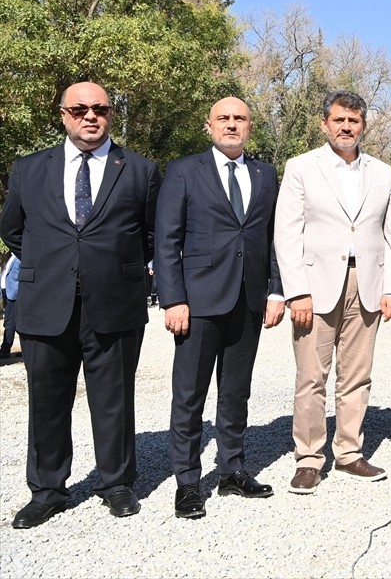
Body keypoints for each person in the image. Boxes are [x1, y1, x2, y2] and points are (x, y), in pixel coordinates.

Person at [0, 82, 160, 528]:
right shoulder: (29, 169)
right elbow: (14, 230)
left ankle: (117, 484)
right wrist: (55, 264)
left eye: (100, 108)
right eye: (80, 109)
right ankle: (48, 490)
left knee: (114, 399)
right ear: (64, 115)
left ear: (110, 114)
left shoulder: (141, 171)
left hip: (114, 303)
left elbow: (150, 235)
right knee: (47, 402)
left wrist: (107, 267)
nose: (91, 116)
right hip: (46, 302)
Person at [155, 97, 285, 519]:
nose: (232, 125)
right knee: (189, 395)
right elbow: (167, 239)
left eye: (240, 119)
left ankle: (232, 471)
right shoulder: (183, 170)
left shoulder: (265, 174)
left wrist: (275, 291)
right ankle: (188, 483)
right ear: (208, 125)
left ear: (250, 126)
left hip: (247, 301)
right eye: (223, 118)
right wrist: (173, 298)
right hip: (197, 303)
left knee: (235, 393)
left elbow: (272, 239)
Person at [274, 90, 391, 493]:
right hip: (314, 287)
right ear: (324, 124)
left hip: (366, 284)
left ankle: (349, 452)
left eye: (353, 121)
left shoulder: (381, 172)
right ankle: (310, 458)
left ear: (363, 126)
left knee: (357, 377)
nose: (346, 127)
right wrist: (296, 292)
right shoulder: (301, 168)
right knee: (311, 377)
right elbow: (287, 232)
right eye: (339, 120)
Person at [1, 253, 19, 359]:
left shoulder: (20, 257)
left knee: (10, 323)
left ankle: (5, 350)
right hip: (7, 293)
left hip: (14, 295)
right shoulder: (12, 257)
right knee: (10, 323)